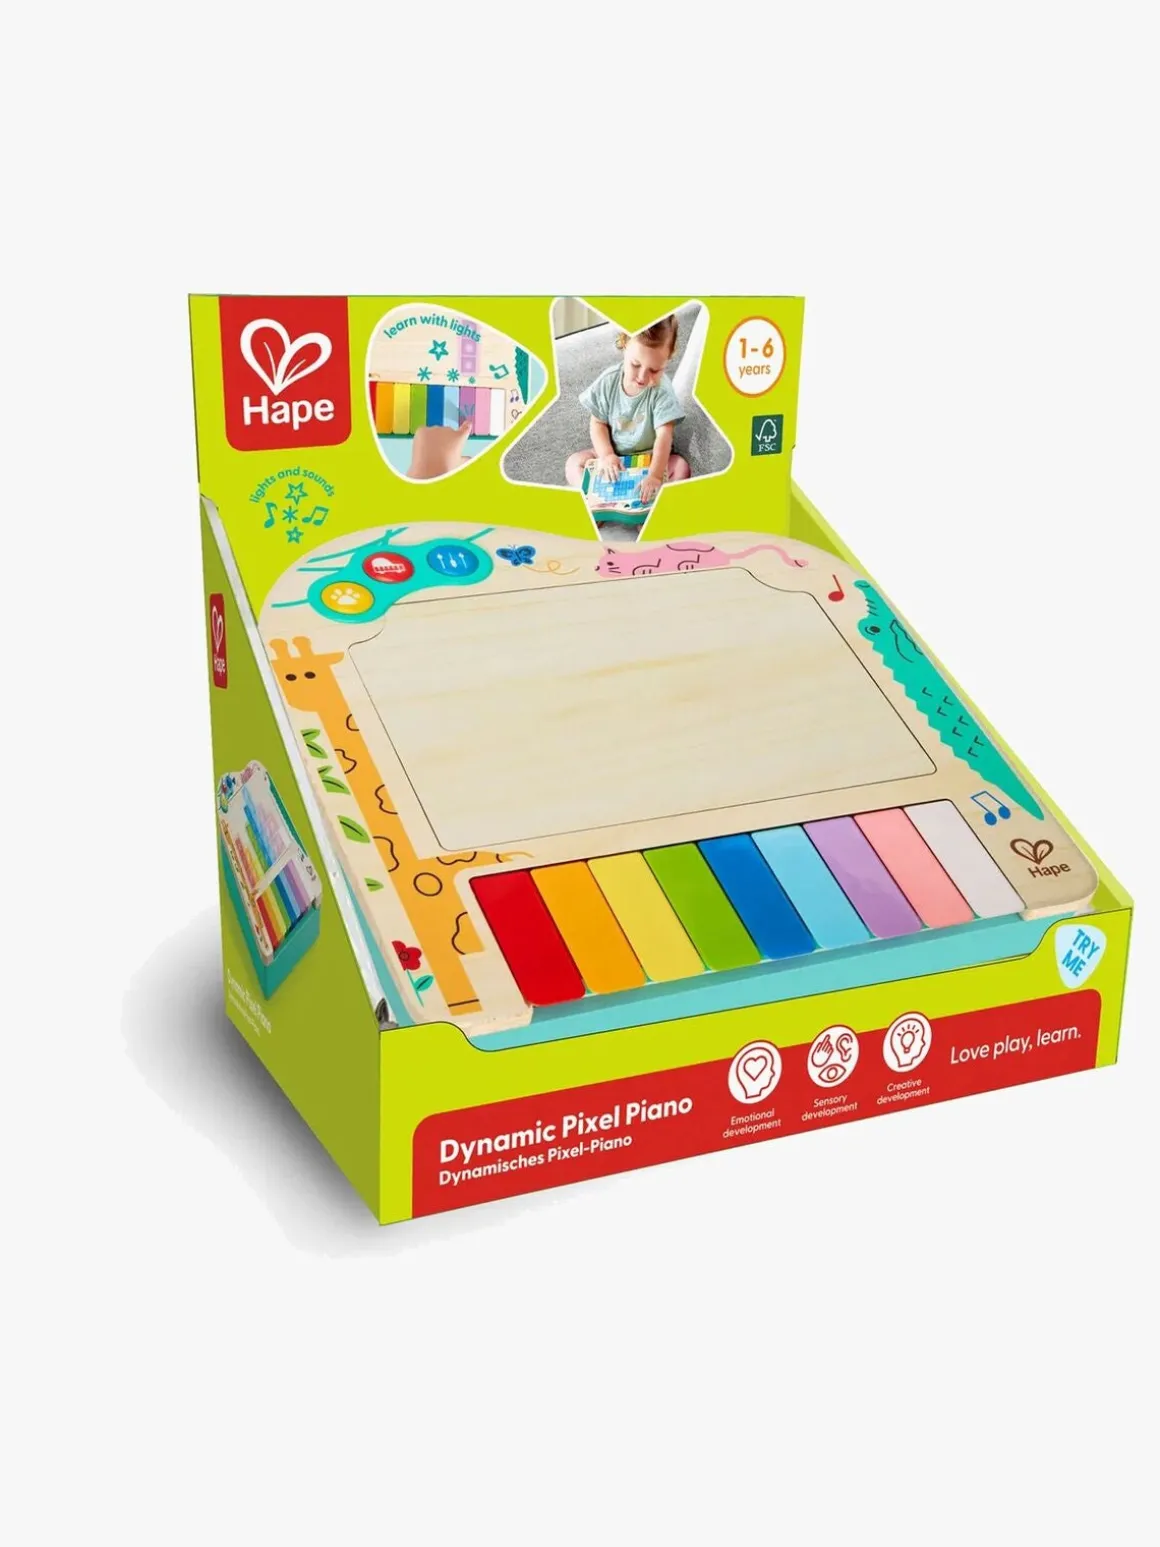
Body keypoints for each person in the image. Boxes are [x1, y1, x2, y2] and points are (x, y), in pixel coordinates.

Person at [564, 317, 691, 511]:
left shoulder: (662, 391)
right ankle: (596, 503)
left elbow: (664, 436)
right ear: (624, 344)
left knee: (681, 466)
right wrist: (606, 455)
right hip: (615, 456)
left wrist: (655, 475)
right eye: (635, 365)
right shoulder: (608, 382)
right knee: (574, 463)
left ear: (668, 359)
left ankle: (652, 510)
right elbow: (597, 423)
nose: (642, 377)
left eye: (654, 370)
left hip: (651, 459)